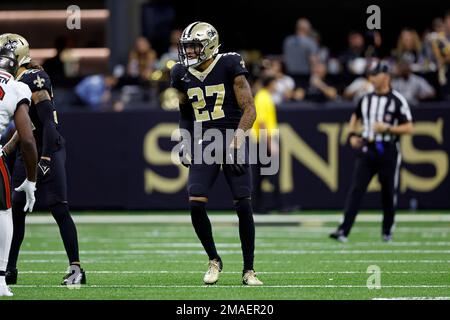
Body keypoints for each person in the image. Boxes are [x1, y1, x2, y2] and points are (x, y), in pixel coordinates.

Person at [171, 22, 262, 286]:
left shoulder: (230, 63)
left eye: (193, 46)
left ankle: (249, 270)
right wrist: (186, 142)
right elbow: (185, 114)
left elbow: (250, 110)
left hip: (234, 138)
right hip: (204, 142)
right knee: (195, 201)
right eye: (186, 46)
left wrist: (236, 142)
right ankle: (214, 259)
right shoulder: (180, 72)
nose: (188, 52)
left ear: (209, 45)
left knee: (243, 204)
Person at [0, 33, 86, 285]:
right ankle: (9, 270)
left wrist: (47, 156)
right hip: (27, 151)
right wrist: (6, 150)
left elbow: (47, 122)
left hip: (48, 147)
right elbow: (24, 128)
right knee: (14, 209)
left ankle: (76, 268)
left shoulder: (33, 77)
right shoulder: (13, 80)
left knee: (59, 208)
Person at [329, 60, 414, 243]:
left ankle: (387, 230)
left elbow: (408, 127)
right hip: (368, 148)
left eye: (375, 74)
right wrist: (352, 135)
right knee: (356, 189)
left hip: (389, 149)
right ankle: (343, 230)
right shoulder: (366, 98)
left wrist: (388, 129)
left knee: (388, 192)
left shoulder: (397, 100)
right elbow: (355, 116)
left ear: (386, 76)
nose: (371, 78)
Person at [0, 47, 38, 296]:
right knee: (4, 212)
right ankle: (1, 279)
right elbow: (26, 140)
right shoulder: (17, 87)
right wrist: (31, 179)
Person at [251, 76, 282, 214]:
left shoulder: (263, 97)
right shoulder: (263, 98)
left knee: (260, 175)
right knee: (271, 173)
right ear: (270, 83)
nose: (276, 86)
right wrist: (269, 143)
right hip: (263, 141)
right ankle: (278, 205)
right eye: (275, 82)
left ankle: (258, 206)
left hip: (260, 140)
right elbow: (262, 122)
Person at [282, 18, 318, 88]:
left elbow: (285, 58)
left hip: (289, 75)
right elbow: (313, 60)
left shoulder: (287, 41)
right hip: (305, 76)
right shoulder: (310, 43)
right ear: (305, 29)